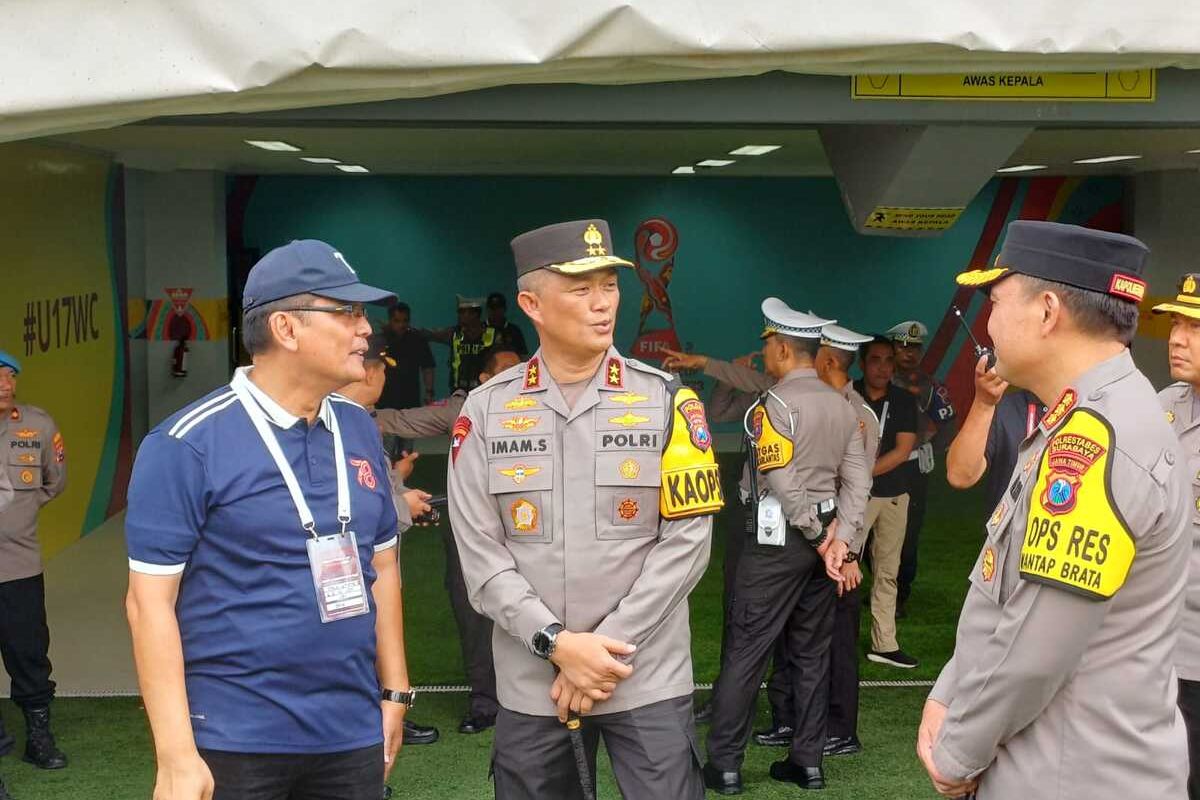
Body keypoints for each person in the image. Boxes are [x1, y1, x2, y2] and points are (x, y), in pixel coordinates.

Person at [125, 240, 412, 800]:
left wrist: (395, 690)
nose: (365, 330)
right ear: (285, 327)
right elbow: (146, 603)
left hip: (349, 729)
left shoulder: (356, 427)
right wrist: (177, 755)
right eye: (347, 312)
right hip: (235, 736)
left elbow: (382, 562)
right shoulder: (187, 445)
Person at [447, 219, 720, 799]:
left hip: (644, 674)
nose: (603, 305)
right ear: (531, 304)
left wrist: (604, 652)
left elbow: (688, 543)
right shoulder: (487, 410)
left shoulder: (668, 399)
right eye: (580, 289)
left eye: (610, 286)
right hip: (533, 678)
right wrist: (557, 643)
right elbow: (479, 553)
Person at [919, 221, 1189, 800]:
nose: (987, 324)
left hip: (1072, 774)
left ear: (1046, 312)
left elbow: (1034, 650)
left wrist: (957, 751)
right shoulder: (1084, 418)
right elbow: (1005, 596)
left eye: (994, 302)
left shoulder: (1097, 441)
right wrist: (949, 690)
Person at [702, 299, 870, 794]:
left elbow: (780, 478)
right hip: (827, 538)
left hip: (778, 543)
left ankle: (726, 766)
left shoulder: (771, 406)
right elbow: (857, 480)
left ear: (779, 349)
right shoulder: (843, 405)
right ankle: (807, 761)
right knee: (812, 653)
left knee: (746, 651)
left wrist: (819, 539)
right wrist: (842, 539)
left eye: (768, 347)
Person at [373, 343, 522, 736]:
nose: (518, 375)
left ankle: (534, 700)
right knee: (473, 613)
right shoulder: (467, 407)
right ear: (485, 380)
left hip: (531, 530)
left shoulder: (545, 406)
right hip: (470, 530)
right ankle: (485, 702)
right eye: (506, 369)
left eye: (521, 368)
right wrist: (352, 415)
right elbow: (406, 420)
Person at [336, 333, 443, 748]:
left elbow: (370, 487)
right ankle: (373, 722)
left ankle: (386, 710)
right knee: (363, 637)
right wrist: (404, 507)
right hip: (355, 567)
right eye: (380, 368)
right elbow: (355, 509)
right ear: (368, 370)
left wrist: (397, 480)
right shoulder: (343, 420)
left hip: (374, 560)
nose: (381, 376)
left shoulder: (358, 418)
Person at [0, 349, 69, 775]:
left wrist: (15, 517)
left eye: (10, 376)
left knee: (28, 652)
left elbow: (52, 483)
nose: (6, 384)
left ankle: (38, 738)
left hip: (18, 566)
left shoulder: (37, 426)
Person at [1152, 273, 1200, 800]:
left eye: (1194, 326)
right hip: (1159, 649)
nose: (1177, 337)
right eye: (1177, 324)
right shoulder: (1164, 404)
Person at [853, 337, 920, 669]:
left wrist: (862, 475)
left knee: (887, 572)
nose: (882, 367)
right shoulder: (846, 396)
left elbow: (903, 451)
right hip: (853, 498)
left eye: (888, 361)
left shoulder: (904, 401)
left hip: (893, 494)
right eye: (875, 360)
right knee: (842, 566)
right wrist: (855, 483)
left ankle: (885, 643)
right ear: (862, 364)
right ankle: (833, 636)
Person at [886, 320, 957, 617]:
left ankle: (899, 593)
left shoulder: (928, 385)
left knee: (906, 532)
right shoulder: (877, 380)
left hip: (912, 468)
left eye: (914, 347)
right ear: (892, 348)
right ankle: (881, 585)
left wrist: (932, 447)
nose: (909, 353)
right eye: (903, 346)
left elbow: (948, 421)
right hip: (876, 466)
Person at [946, 357, 1046, 511]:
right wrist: (983, 403)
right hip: (1009, 533)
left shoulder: (1090, 406)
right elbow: (960, 475)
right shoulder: (1007, 407)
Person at [422, 296, 497, 393]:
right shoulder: (454, 333)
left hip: (485, 389)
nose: (459, 315)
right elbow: (429, 334)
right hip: (459, 391)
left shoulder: (493, 334)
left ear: (474, 314)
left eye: (462, 312)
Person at [378, 302, 436, 411]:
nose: (401, 325)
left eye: (405, 321)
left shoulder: (418, 340)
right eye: (397, 321)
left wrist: (429, 392)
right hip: (384, 400)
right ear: (390, 321)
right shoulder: (381, 341)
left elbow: (428, 367)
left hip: (410, 400)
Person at [487, 292, 530, 358]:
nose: (495, 311)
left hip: (511, 366)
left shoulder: (514, 330)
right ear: (488, 309)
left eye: (498, 308)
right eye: (493, 308)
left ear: (504, 309)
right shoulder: (481, 329)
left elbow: (523, 354)